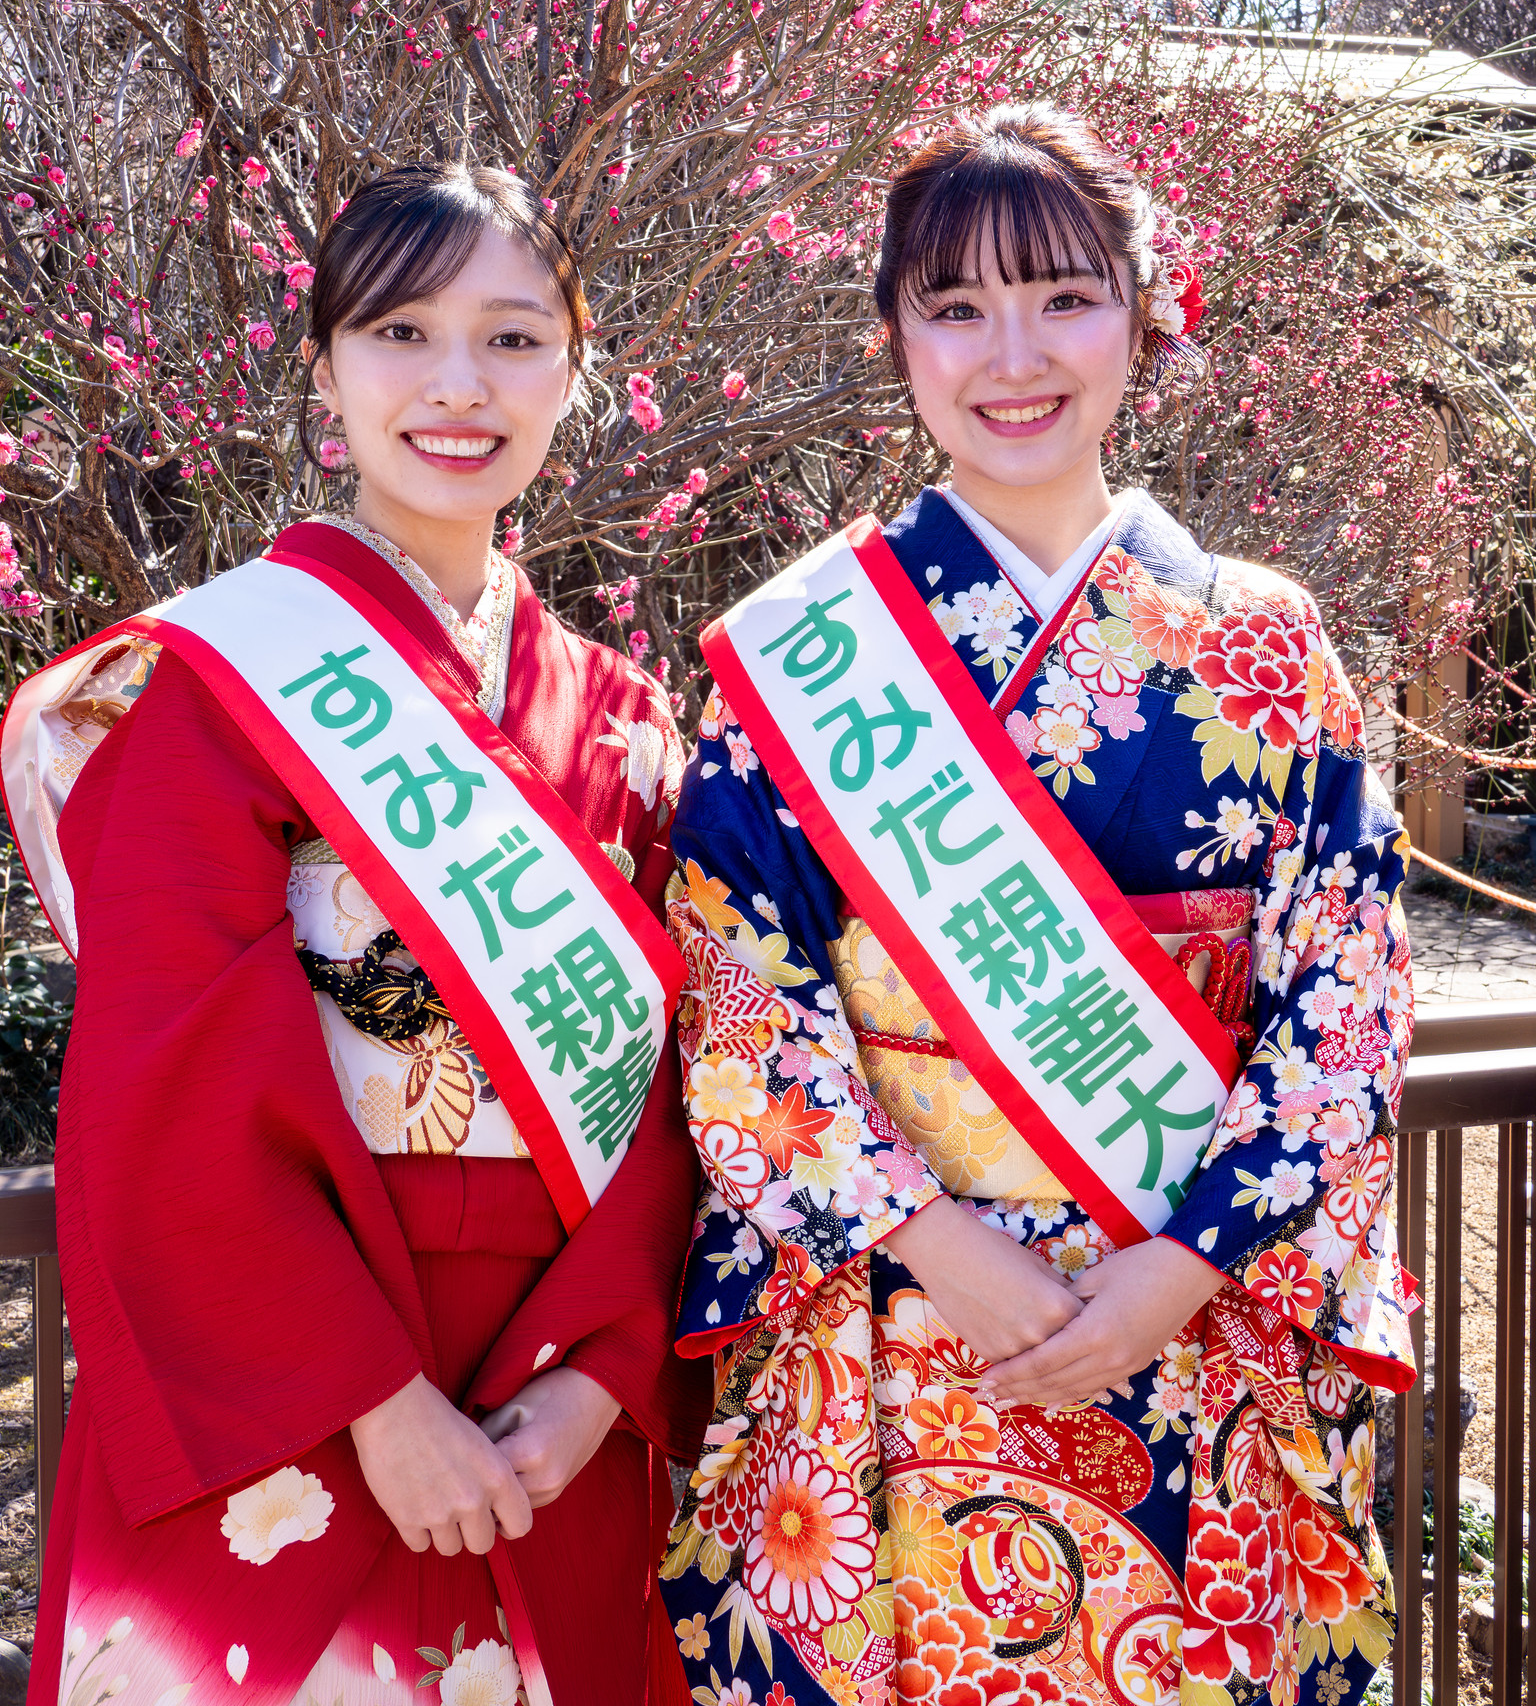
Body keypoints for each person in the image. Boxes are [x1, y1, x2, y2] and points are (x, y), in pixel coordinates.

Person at [659, 104, 1414, 1706]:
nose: (1015, 353)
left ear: (1146, 313)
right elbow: (742, 1006)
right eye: (955, 307)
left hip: (1191, 1321)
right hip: (897, 1331)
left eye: (1065, 295)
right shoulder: (805, 656)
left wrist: (1183, 1265)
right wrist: (939, 1244)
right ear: (894, 339)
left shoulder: (1268, 644)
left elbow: (1344, 997)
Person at [4, 164, 710, 1706]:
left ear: (577, 368)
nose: (460, 386)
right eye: (402, 331)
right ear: (324, 364)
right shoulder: (220, 682)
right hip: (290, 1392)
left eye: (516, 339)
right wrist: (378, 1409)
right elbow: (166, 1078)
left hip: (550, 1395)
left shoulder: (630, 725)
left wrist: (602, 1381)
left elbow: (681, 1092)